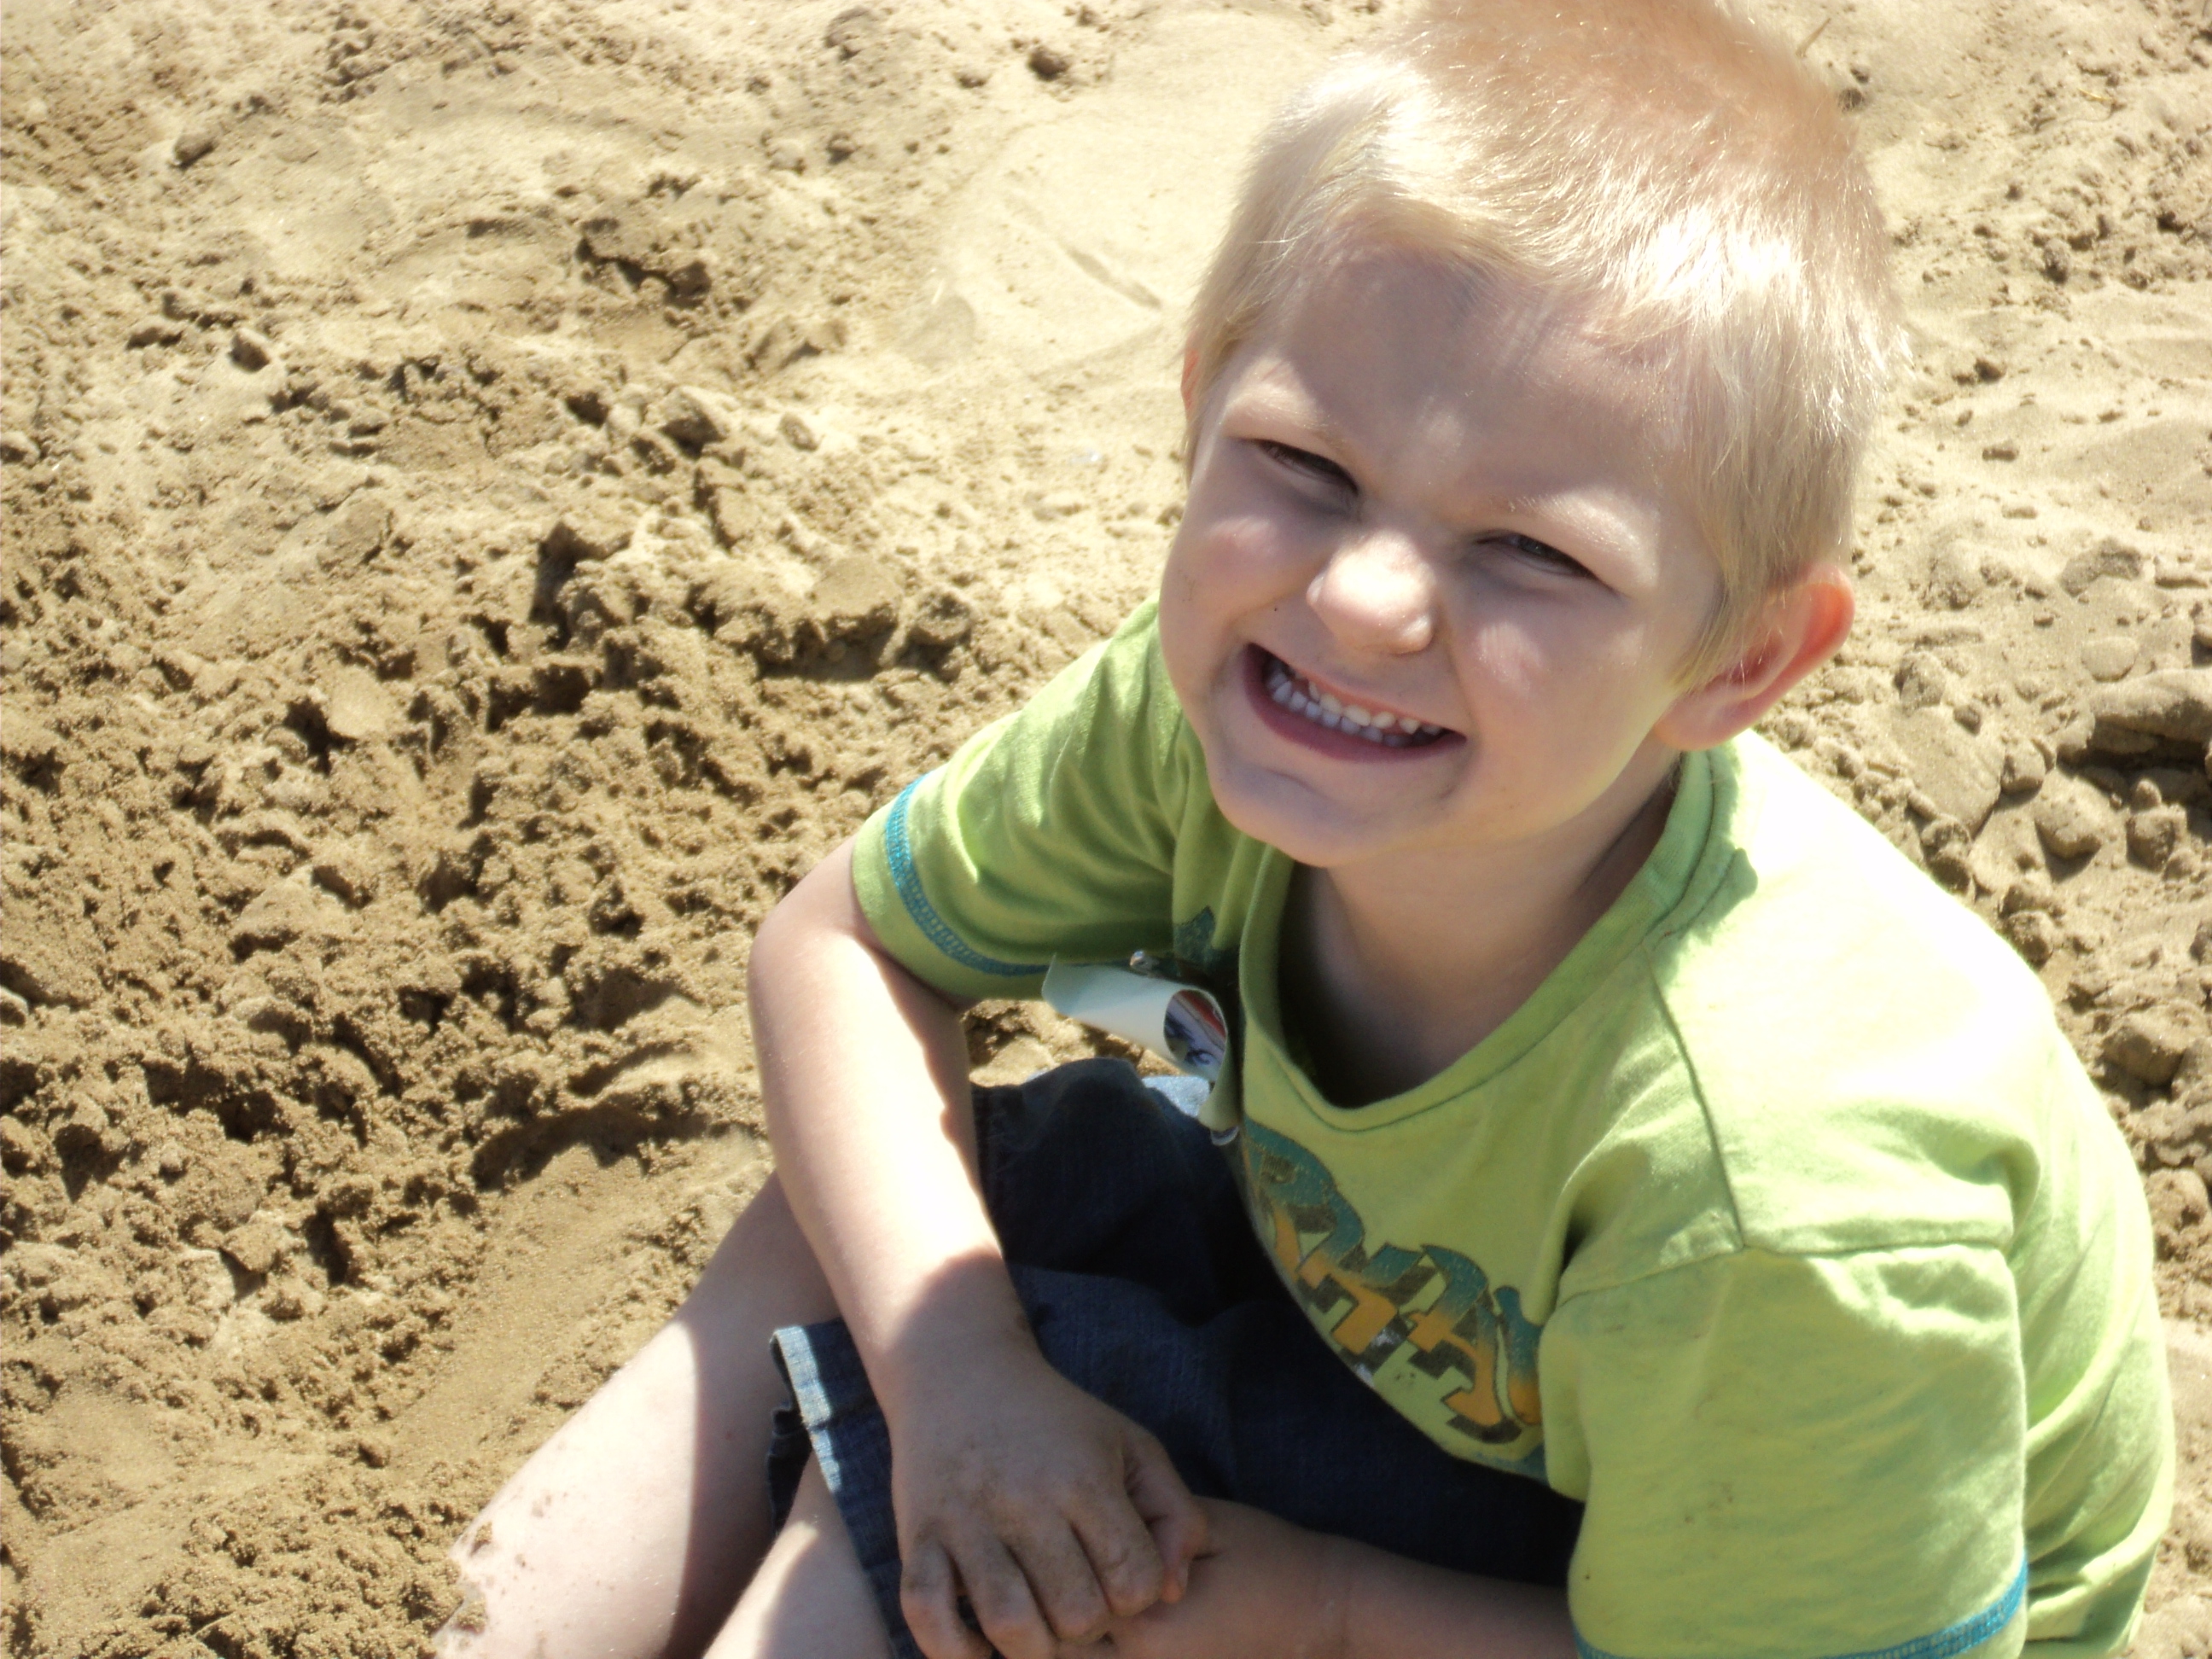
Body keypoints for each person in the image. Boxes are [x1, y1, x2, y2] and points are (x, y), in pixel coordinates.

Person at [438, 2, 2174, 1656]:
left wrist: (1314, 1613)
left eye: (1532, 553)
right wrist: (955, 1370)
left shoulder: (1774, 1195)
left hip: (1706, 1551)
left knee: (1051, 1527)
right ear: (1200, 402)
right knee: (930, 1217)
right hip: (1403, 1312)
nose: (1358, 600)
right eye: (1306, 466)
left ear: (1740, 660)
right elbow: (846, 946)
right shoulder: (1224, 711)